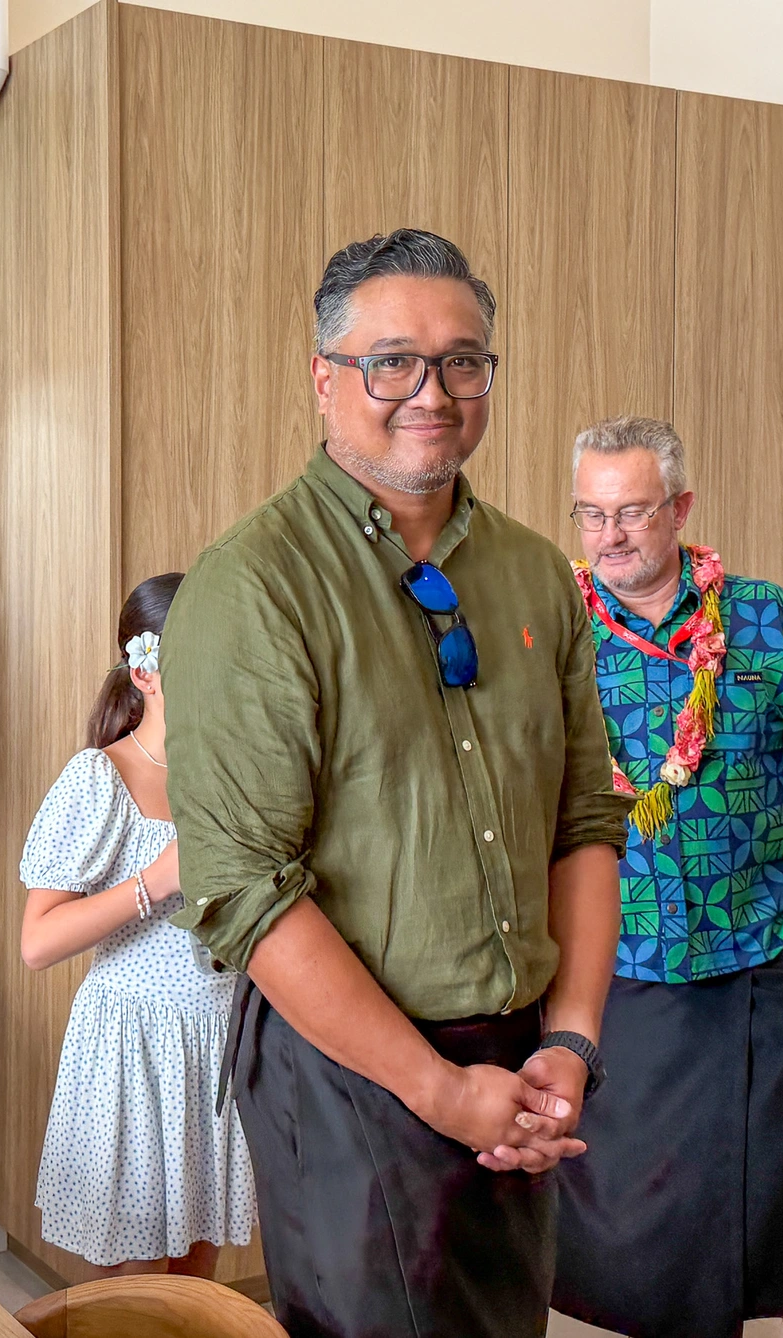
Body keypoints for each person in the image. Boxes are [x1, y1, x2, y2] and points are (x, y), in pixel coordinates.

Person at [160, 228, 632, 1338]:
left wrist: (569, 1041)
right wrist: (438, 1089)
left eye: (463, 361)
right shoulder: (254, 585)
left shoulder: (533, 572)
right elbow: (245, 891)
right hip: (350, 1070)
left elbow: (584, 820)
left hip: (518, 1055)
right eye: (392, 362)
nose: (433, 392)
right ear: (324, 378)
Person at [553, 416, 783, 1338]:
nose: (610, 535)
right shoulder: (554, 631)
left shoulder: (768, 618)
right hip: (622, 963)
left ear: (681, 508)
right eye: (591, 514)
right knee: (658, 1226)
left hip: (766, 952)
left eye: (632, 511)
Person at [19, 573, 255, 1276]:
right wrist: (158, 880)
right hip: (133, 1049)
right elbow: (38, 941)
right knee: (134, 1292)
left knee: (194, 1284)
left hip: (217, 1042)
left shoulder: (237, 776)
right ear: (145, 671)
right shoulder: (100, 778)